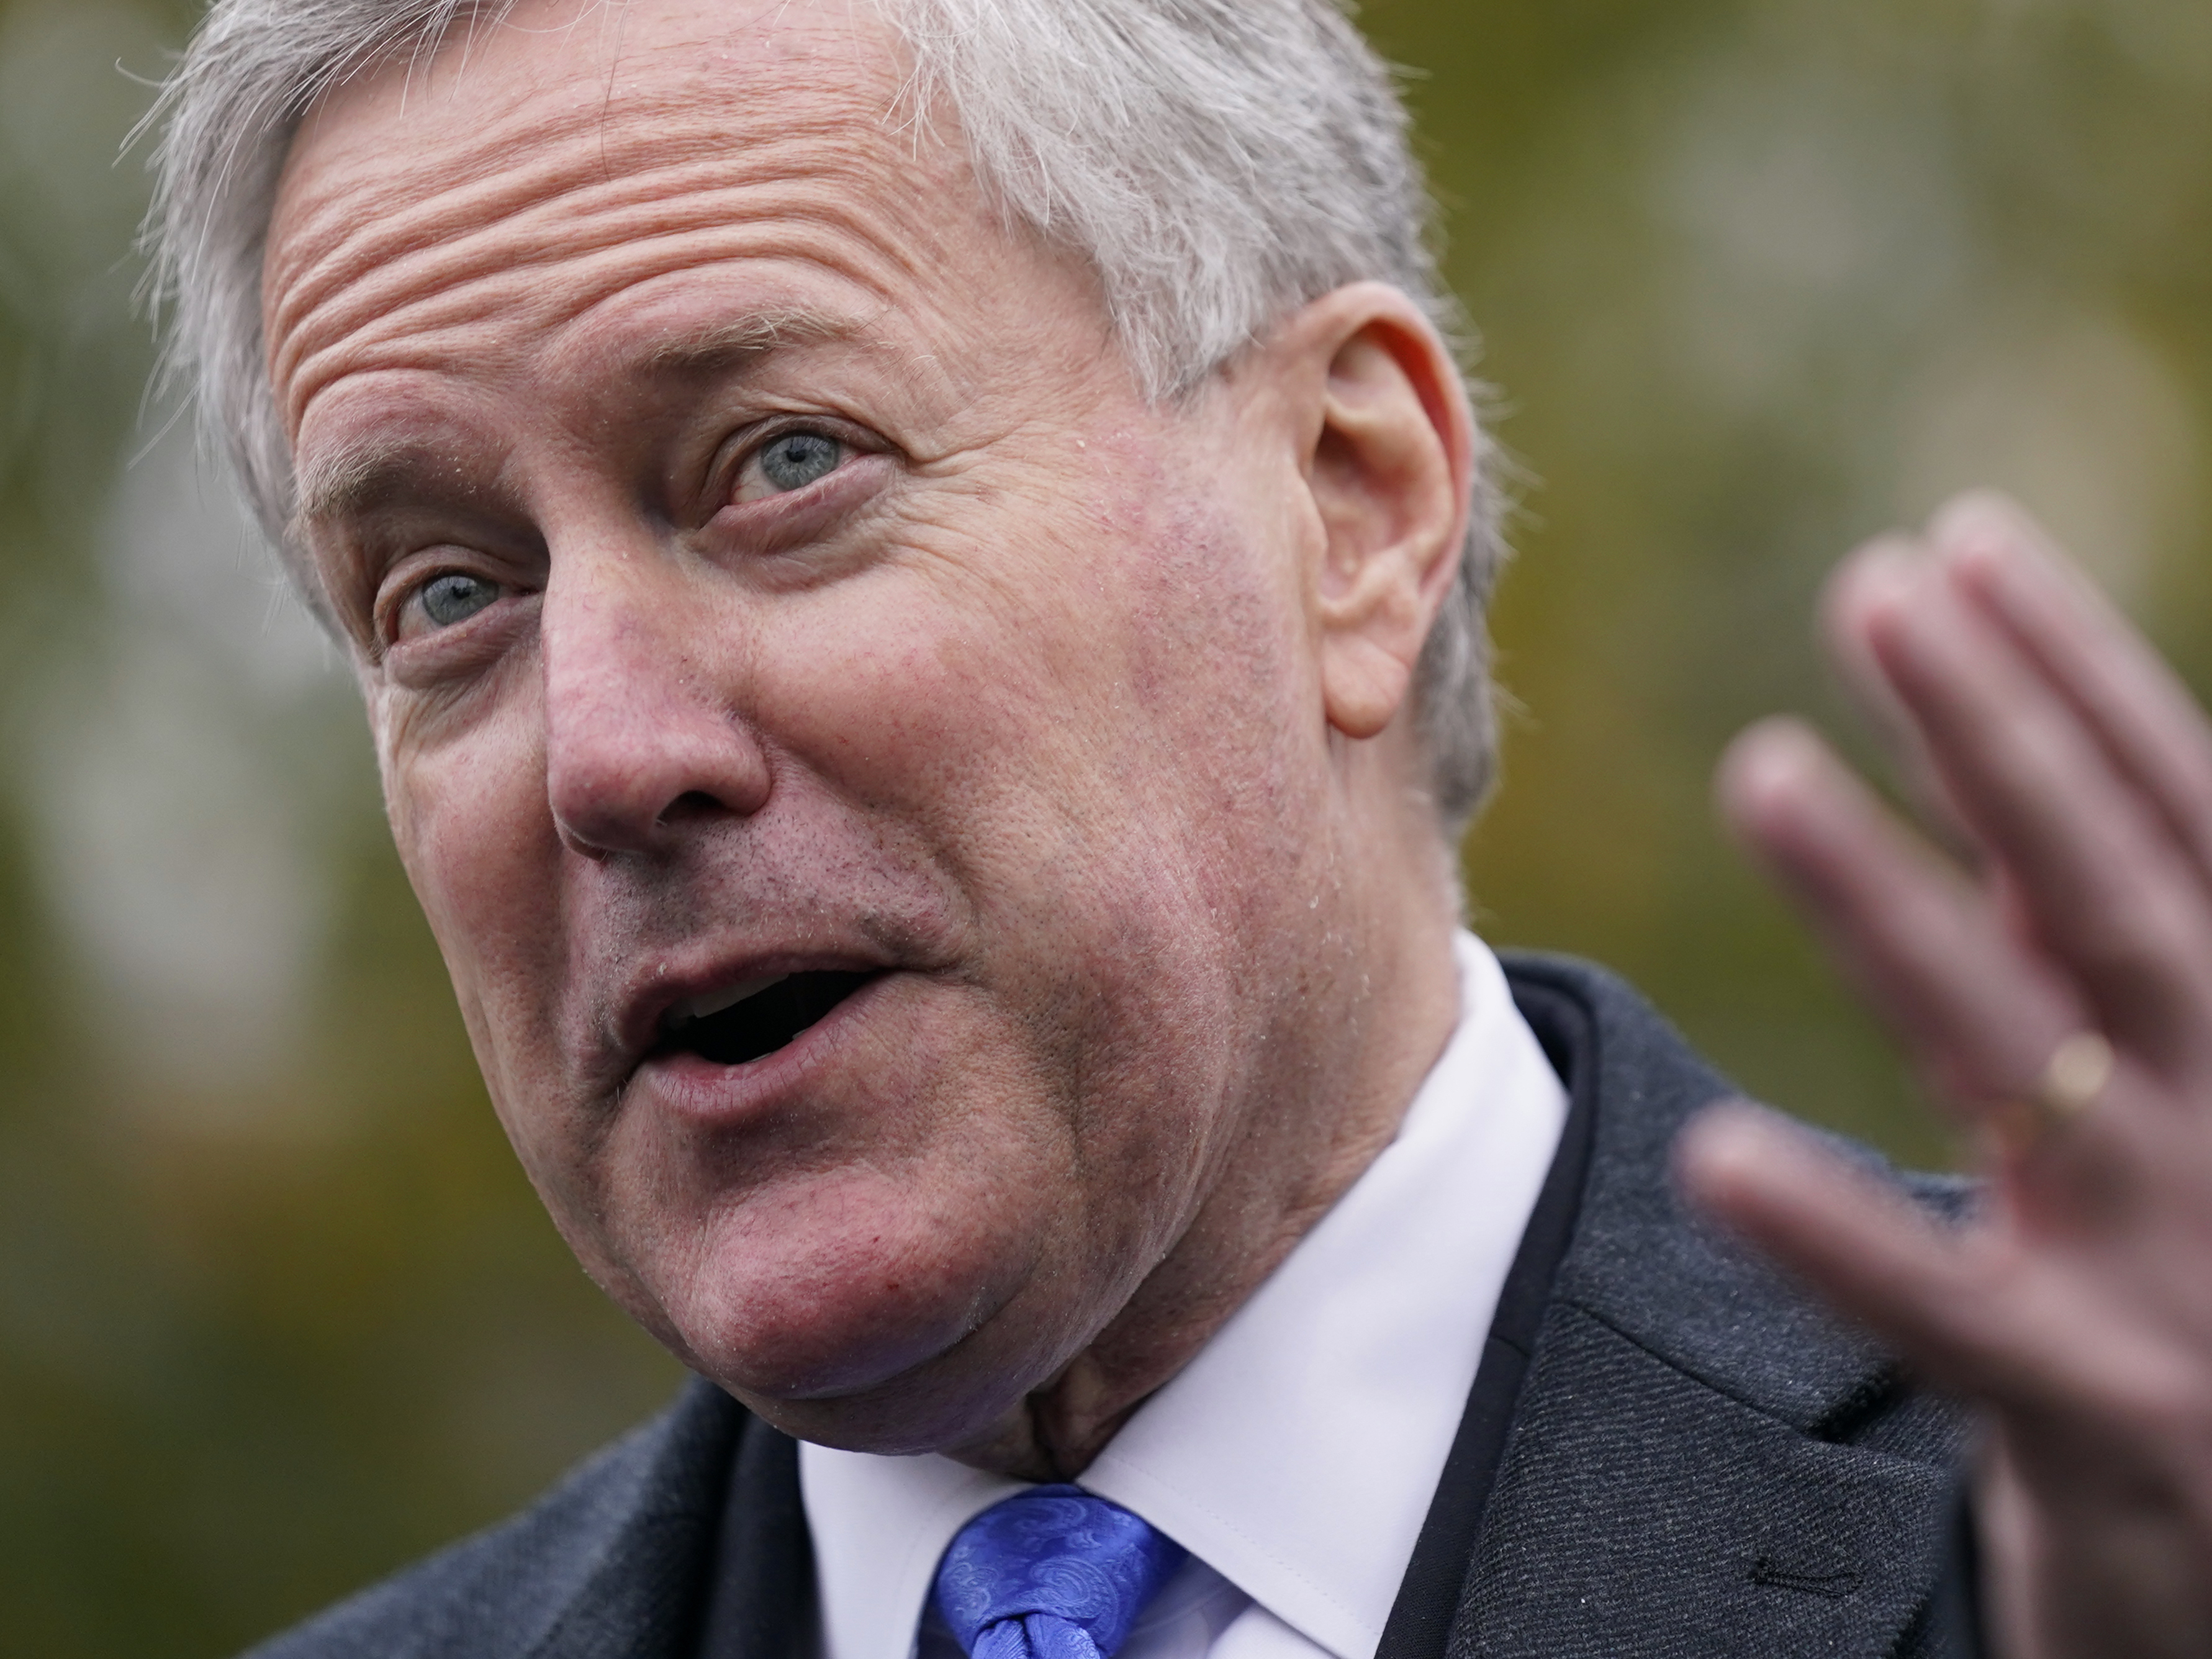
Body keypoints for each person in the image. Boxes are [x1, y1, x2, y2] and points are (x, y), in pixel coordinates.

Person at [140, 1, 2212, 1655]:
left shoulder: (2100, 1534)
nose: (604, 753)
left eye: (781, 463)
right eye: (446, 596)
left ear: (1348, 503)